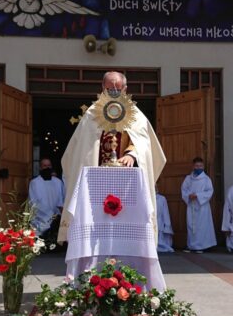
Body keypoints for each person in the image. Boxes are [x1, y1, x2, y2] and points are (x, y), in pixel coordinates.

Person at [57, 71, 166, 243]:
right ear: (102, 88)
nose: (114, 92)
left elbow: (144, 143)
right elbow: (79, 149)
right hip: (95, 182)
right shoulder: (92, 114)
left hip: (125, 183)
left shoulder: (136, 114)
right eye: (109, 88)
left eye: (118, 88)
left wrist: (132, 153)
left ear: (125, 89)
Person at [181, 157, 216, 253]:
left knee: (202, 226)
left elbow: (210, 191)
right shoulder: (188, 179)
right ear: (193, 166)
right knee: (191, 225)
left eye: (200, 166)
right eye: (196, 166)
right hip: (191, 205)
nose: (198, 167)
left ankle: (201, 246)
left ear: (203, 166)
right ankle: (191, 245)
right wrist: (189, 196)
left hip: (202, 206)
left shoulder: (206, 179)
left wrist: (198, 196)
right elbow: (184, 190)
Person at [28, 157, 65, 238]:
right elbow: (33, 202)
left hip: (56, 219)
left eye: (49, 165)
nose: (47, 167)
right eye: (45, 166)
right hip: (40, 219)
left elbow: (62, 199)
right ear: (40, 167)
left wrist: (57, 215)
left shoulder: (58, 182)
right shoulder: (34, 183)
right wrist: (50, 215)